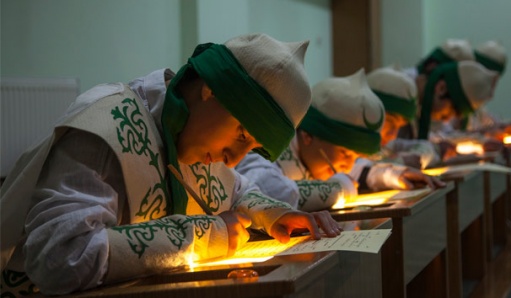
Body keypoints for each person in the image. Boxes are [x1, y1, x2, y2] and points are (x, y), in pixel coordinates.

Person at [0, 33, 342, 296]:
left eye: (252, 147)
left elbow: (238, 189)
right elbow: (59, 259)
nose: (234, 159)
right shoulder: (108, 125)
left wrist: (275, 214)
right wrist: (204, 236)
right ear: (211, 89)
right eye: (241, 134)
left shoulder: (196, 134)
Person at [236, 69, 443, 212]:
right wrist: (338, 189)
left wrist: (395, 175)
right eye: (345, 153)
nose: (348, 163)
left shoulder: (319, 152)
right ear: (308, 136)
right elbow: (263, 188)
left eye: (354, 155)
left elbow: (361, 169)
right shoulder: (269, 146)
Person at [366, 66, 442, 169]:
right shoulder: (347, 149)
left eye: (399, 127)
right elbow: (359, 170)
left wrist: (415, 158)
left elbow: (425, 147)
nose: (393, 135)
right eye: (391, 123)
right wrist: (398, 163)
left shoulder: (386, 146)